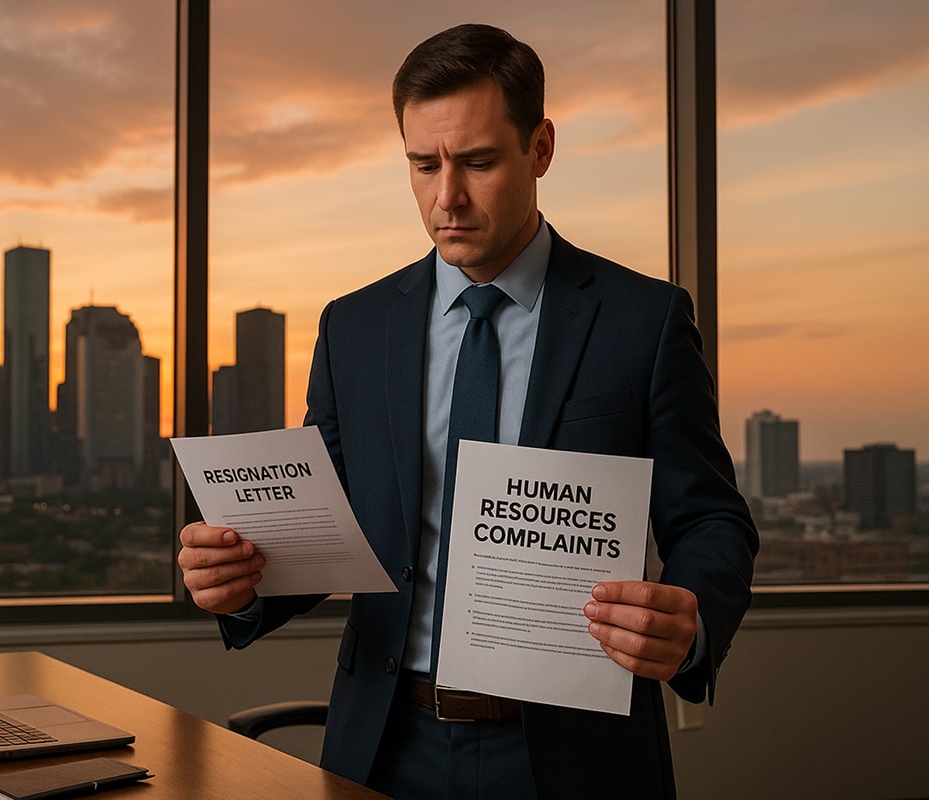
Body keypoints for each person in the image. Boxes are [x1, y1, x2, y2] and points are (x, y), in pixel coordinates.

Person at [178, 23, 757, 800]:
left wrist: (689, 617)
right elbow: (334, 527)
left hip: (574, 755)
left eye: (477, 162)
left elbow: (711, 520)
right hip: (385, 742)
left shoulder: (642, 322)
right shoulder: (355, 326)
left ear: (540, 148)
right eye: (424, 164)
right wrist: (240, 578)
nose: (446, 196)